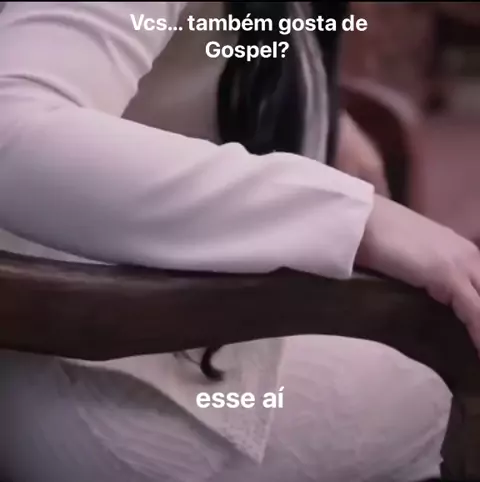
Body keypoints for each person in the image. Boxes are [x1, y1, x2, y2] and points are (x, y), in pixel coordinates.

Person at [0, 2, 479, 482]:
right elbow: (14, 132)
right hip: (89, 365)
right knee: (433, 389)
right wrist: (356, 218)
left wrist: (309, 106)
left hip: (177, 327)